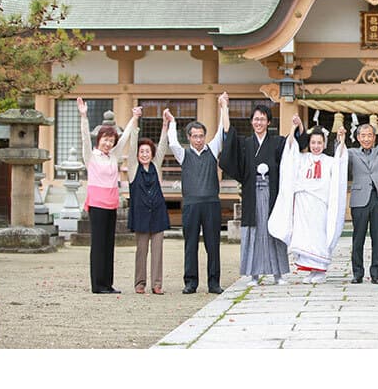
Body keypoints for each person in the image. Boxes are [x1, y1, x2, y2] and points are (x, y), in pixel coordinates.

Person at [219, 102, 307, 285]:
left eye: (262, 119)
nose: (259, 122)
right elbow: (229, 137)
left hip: (272, 194)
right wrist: (224, 108)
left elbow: (293, 146)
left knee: (274, 230)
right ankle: (254, 275)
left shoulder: (276, 142)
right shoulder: (245, 144)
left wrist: (297, 126)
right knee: (254, 232)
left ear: (268, 122)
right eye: (256, 119)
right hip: (252, 194)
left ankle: (278, 274)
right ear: (252, 122)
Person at [269, 116, 348, 284]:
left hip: (319, 203)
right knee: (305, 237)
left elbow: (340, 160)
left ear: (324, 144)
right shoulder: (302, 158)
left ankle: (320, 271)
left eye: (319, 143)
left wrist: (341, 141)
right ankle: (312, 270)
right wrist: (294, 128)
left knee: (319, 236)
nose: (316, 146)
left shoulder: (329, 161)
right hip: (303, 203)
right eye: (313, 143)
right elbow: (290, 150)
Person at [164, 92, 230, 295]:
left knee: (213, 245)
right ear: (189, 137)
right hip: (191, 204)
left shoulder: (212, 149)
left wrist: (223, 107)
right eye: (195, 136)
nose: (199, 139)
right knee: (190, 244)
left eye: (201, 136)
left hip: (211, 203)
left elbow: (222, 130)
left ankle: (214, 283)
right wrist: (172, 122)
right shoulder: (184, 155)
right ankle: (190, 282)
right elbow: (172, 143)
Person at [78, 97, 140, 294]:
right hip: (97, 205)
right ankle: (97, 285)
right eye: (105, 139)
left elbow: (125, 136)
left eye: (111, 140)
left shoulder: (113, 155)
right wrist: (84, 116)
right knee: (98, 245)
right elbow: (84, 138)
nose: (108, 143)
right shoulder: (91, 156)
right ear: (99, 140)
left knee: (109, 245)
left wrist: (134, 118)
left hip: (111, 204)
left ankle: (107, 284)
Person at [127, 112, 171, 295]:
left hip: (158, 213)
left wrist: (165, 125)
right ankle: (140, 283)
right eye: (141, 151)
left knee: (158, 251)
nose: (145, 154)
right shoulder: (133, 168)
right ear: (137, 154)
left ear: (152, 154)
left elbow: (163, 145)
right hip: (141, 215)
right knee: (141, 250)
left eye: (148, 151)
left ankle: (157, 284)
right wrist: (135, 120)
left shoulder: (156, 165)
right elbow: (131, 145)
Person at [345, 121, 378, 284]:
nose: (366, 139)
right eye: (363, 135)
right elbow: (339, 156)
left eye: (369, 135)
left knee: (377, 237)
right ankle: (357, 273)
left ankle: (376, 273)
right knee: (358, 238)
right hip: (360, 199)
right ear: (358, 138)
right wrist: (340, 140)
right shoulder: (352, 153)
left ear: (374, 137)